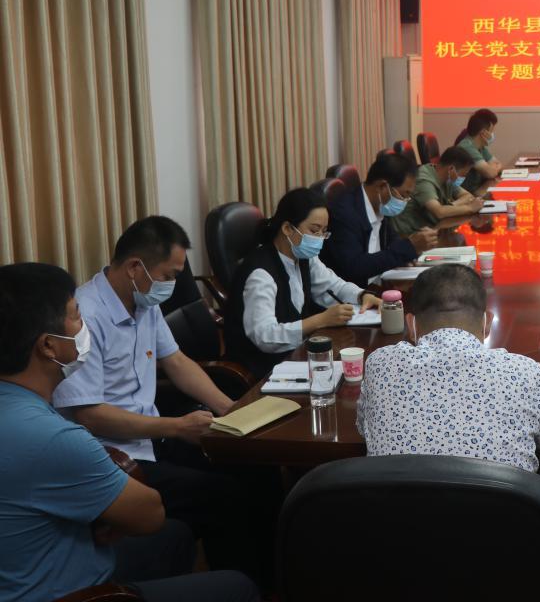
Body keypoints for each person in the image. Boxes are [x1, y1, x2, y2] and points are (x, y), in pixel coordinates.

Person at [1, 262, 258, 602]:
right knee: (238, 586)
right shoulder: (54, 438)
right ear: (48, 346)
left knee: (175, 538)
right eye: (77, 316)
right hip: (74, 591)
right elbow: (148, 515)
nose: (85, 325)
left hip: (29, 563)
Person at [51, 217, 269, 584]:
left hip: (153, 437)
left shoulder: (142, 302)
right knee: (224, 495)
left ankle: (266, 575)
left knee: (250, 465)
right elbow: (90, 415)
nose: (173, 285)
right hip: (114, 457)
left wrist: (230, 410)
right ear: (135, 267)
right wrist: (178, 427)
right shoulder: (86, 316)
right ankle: (239, 585)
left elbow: (177, 362)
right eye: (169, 275)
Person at [358, 264, 540, 472]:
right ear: (487, 322)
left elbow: (365, 428)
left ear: (411, 325)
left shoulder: (380, 365)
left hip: (395, 510)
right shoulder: (523, 373)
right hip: (501, 510)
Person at [224, 188, 382, 379]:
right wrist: (320, 320)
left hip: (297, 356)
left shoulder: (303, 257)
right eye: (314, 231)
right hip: (262, 370)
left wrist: (362, 296)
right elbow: (265, 336)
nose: (320, 238)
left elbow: (334, 286)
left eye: (324, 232)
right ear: (287, 228)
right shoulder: (261, 274)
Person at [324, 152, 437, 287]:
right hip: (354, 293)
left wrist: (408, 253)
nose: (405, 201)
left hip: (379, 284)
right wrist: (409, 247)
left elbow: (392, 241)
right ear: (382, 186)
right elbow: (355, 267)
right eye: (404, 194)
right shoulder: (345, 214)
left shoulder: (380, 206)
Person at [390, 146, 486, 235]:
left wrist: (451, 207)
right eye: (463, 174)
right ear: (451, 169)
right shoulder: (424, 180)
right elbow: (439, 212)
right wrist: (470, 208)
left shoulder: (447, 177)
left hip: (432, 228)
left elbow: (468, 196)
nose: (463, 178)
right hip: (410, 234)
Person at [456, 110, 504, 193]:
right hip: (467, 195)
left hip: (479, 189)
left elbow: (499, 164)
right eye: (492, 131)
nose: (492, 135)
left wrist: (491, 168)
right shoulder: (466, 147)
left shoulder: (480, 147)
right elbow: (490, 173)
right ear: (483, 133)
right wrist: (491, 168)